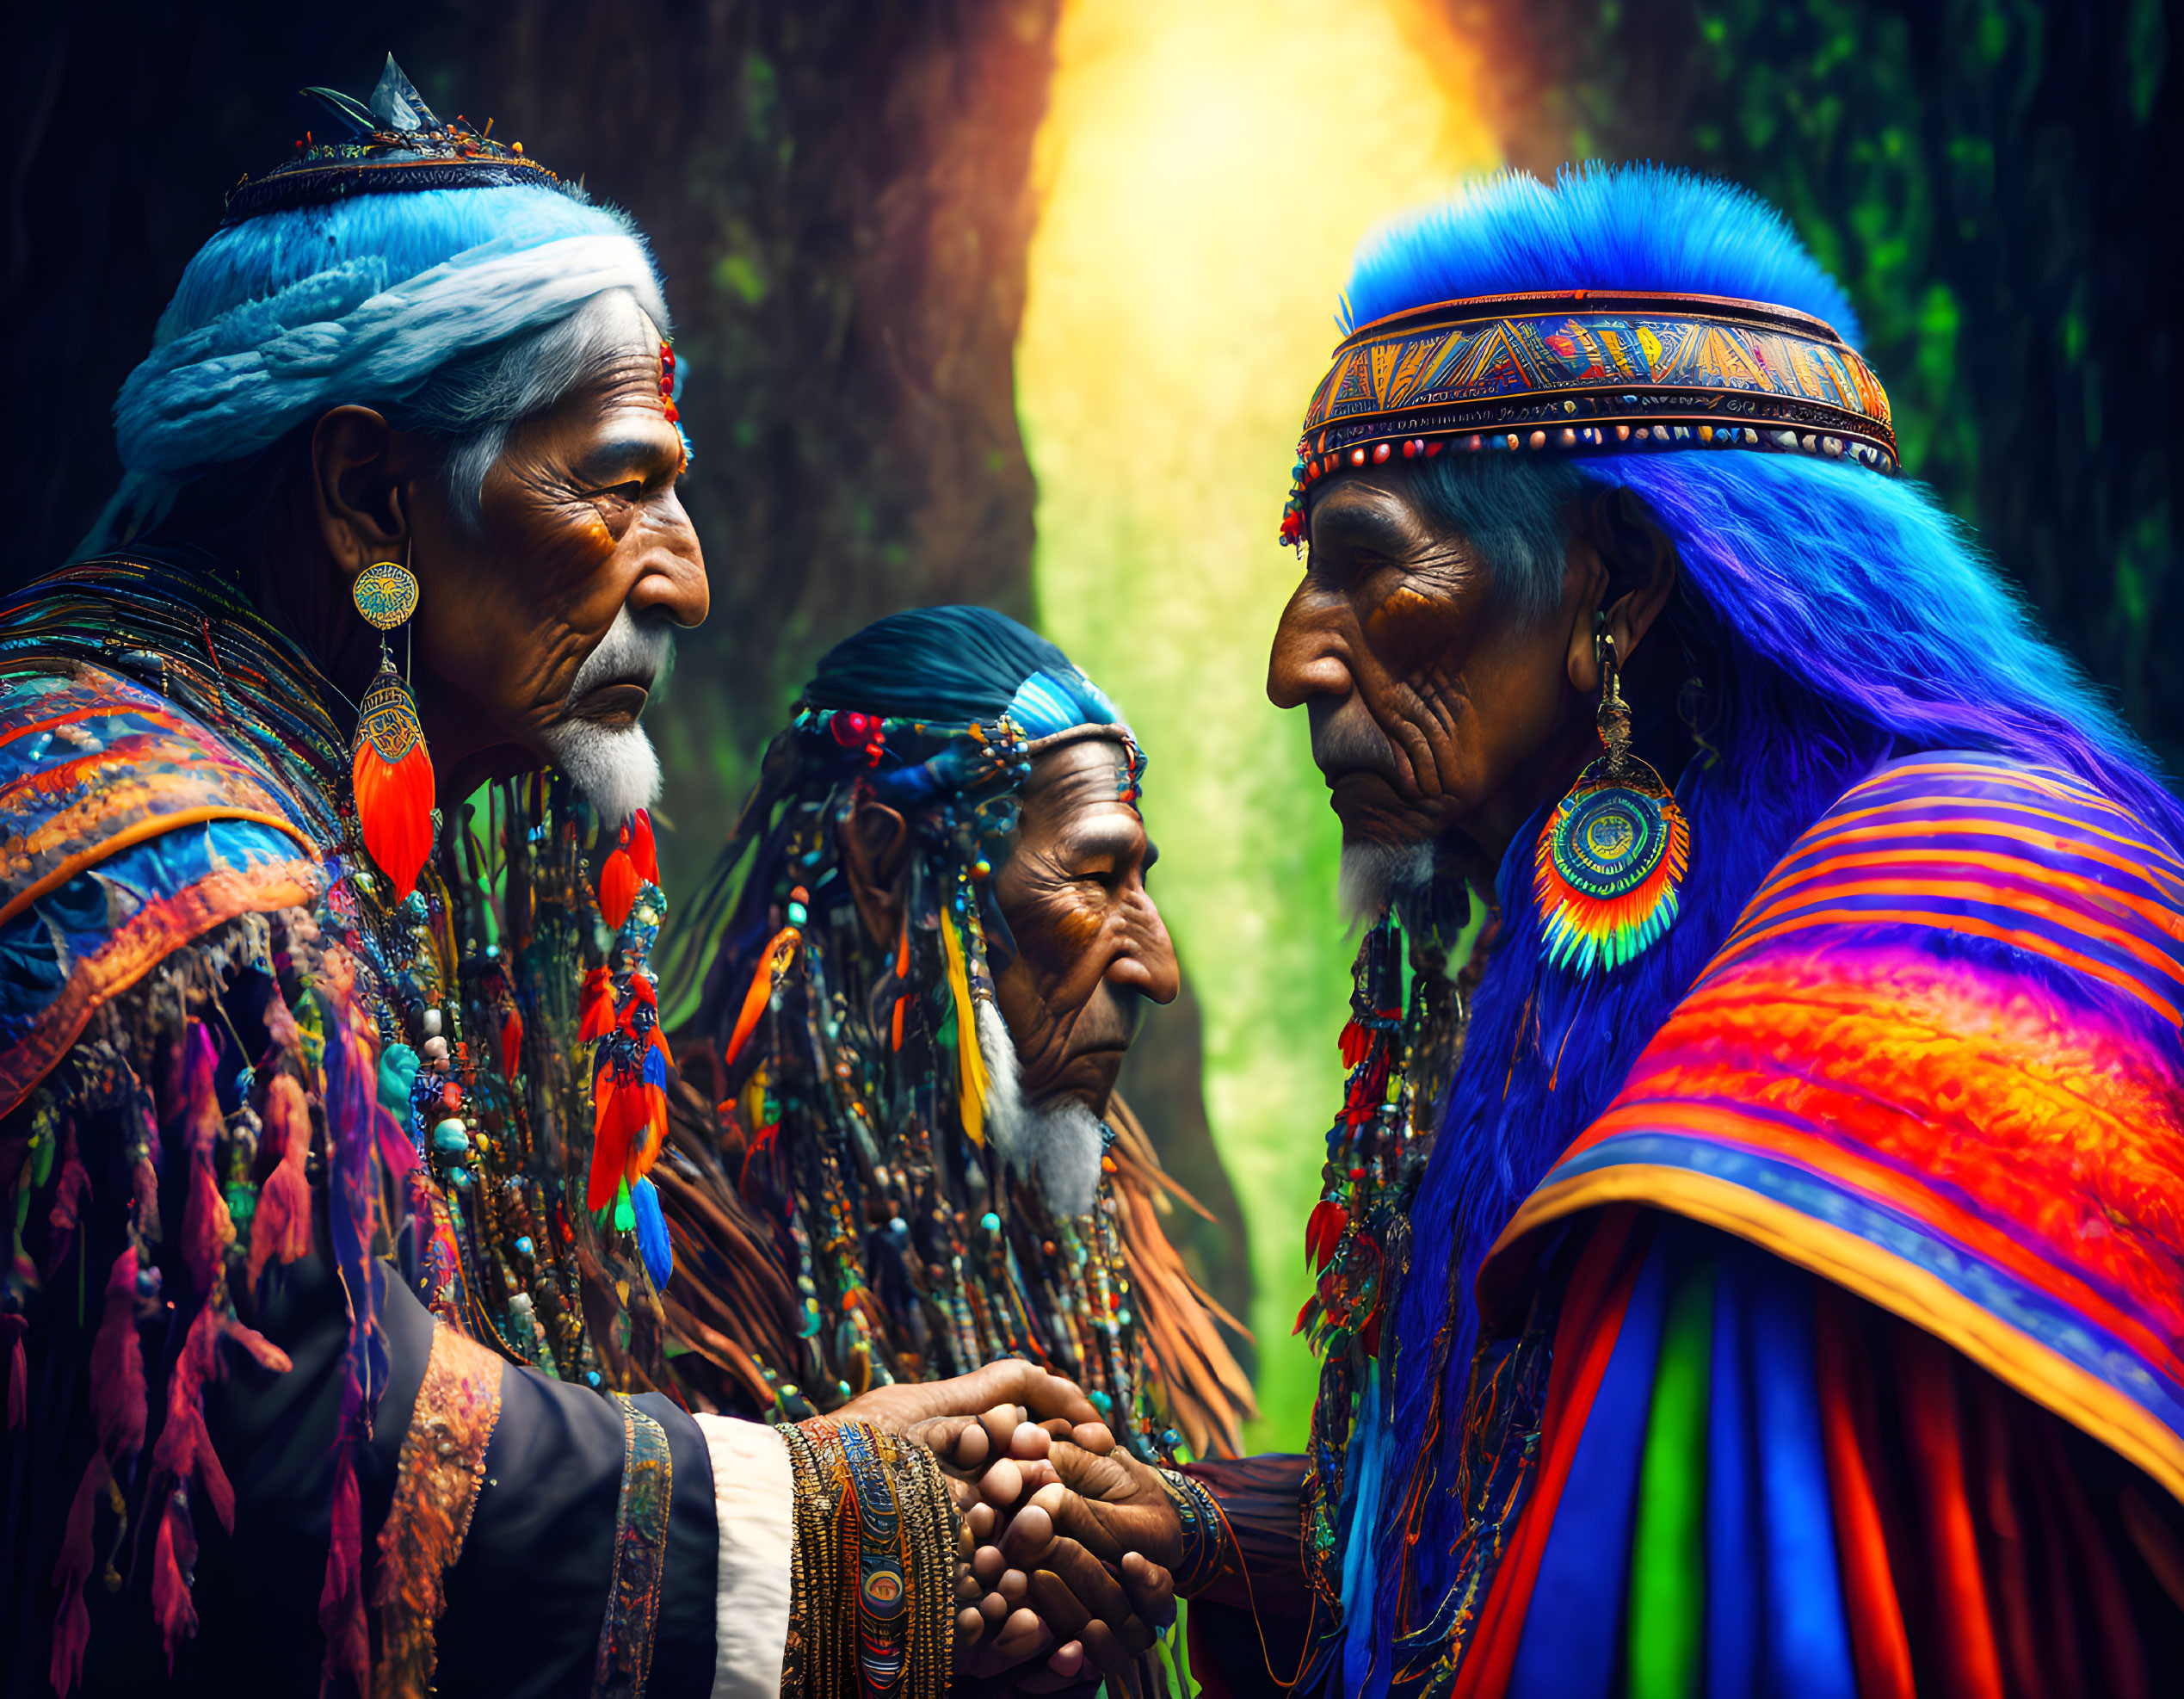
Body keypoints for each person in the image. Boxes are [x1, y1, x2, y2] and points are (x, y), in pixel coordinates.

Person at [0, 59, 1165, 1699]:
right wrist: (839, 1526)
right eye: (620, 483)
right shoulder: (166, 868)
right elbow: (303, 1440)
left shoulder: (216, 788)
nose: (683, 579)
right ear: (366, 497)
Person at [1005, 164, 2184, 1697]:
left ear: (1614, 586)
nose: (1295, 658)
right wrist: (1195, 1524)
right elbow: (1521, 1537)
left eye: (1370, 568)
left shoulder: (1949, 921)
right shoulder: (1612, 953)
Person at [657, 606, 1255, 1461]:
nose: (1159, 975)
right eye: (1093, 877)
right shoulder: (666, 1207)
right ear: (880, 860)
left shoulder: (1089, 1194)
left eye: (1139, 880)